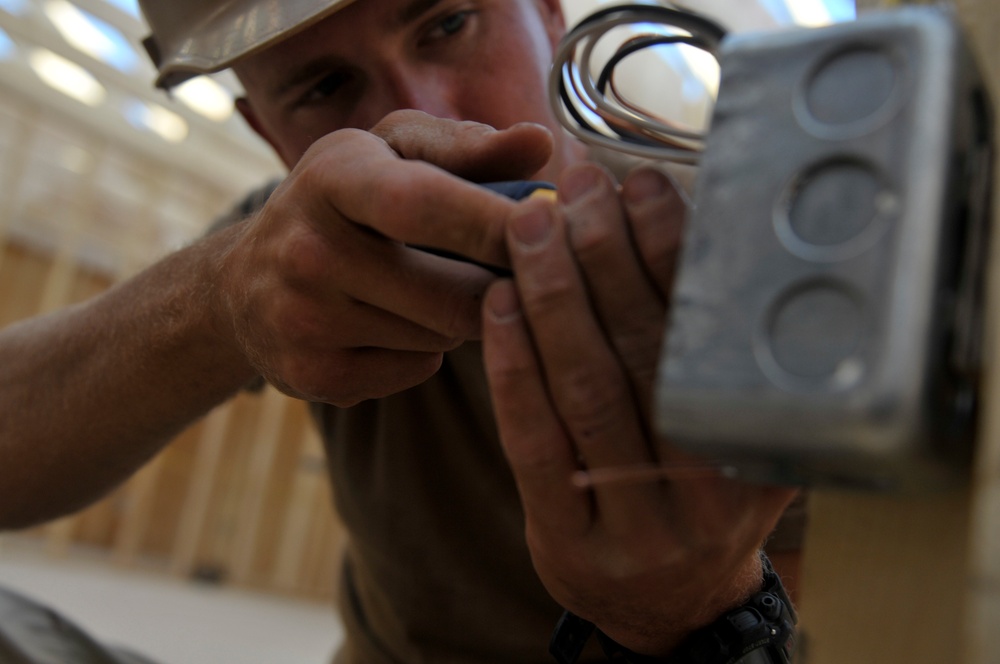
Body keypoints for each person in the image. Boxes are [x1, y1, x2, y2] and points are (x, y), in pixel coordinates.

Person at [0, 0, 800, 661]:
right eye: (322, 87)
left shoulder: (756, 262)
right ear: (269, 136)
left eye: (447, 24)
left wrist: (698, 614)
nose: (419, 117)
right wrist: (216, 303)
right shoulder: (294, 245)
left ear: (550, 18)